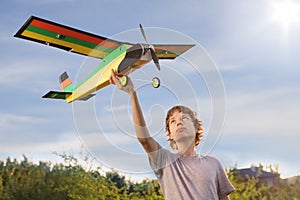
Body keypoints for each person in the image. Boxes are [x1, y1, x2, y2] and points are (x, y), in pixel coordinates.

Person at [109, 70, 235, 200]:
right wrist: (132, 93)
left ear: (196, 127)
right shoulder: (165, 161)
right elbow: (144, 139)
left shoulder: (213, 164)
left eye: (184, 118)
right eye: (173, 121)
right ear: (170, 134)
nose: (179, 122)